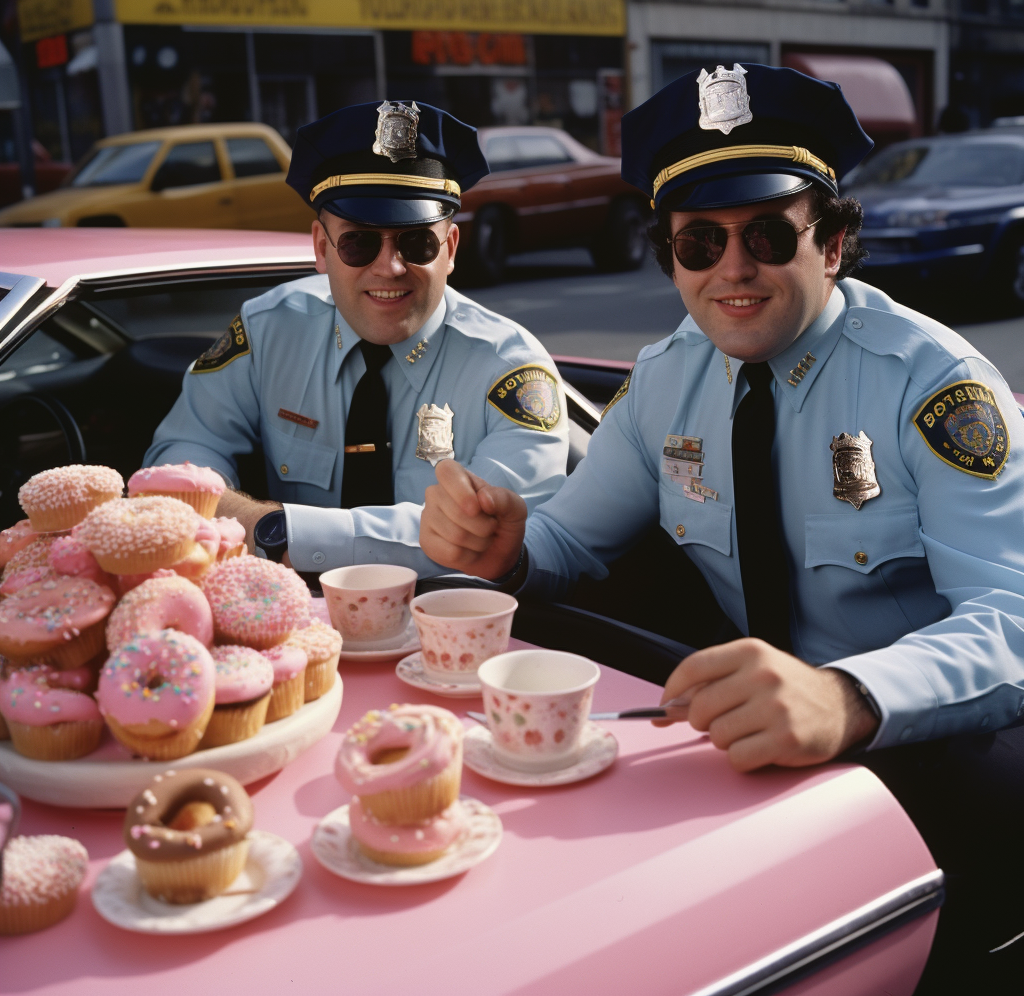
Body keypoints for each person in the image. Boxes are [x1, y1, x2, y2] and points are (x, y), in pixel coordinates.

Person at [419, 64, 1024, 990]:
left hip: (923, 750)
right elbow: (571, 543)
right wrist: (508, 547)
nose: (731, 270)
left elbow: (1011, 618)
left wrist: (847, 697)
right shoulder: (669, 376)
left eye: (769, 234)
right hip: (751, 745)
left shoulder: (934, 385)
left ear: (835, 242)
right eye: (698, 241)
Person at [144, 101, 568, 574]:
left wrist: (276, 529)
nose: (389, 266)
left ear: (449, 250)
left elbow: (500, 543)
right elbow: (177, 461)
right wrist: (225, 506)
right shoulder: (270, 331)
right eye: (359, 242)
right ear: (322, 248)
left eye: (416, 242)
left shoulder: (508, 370)